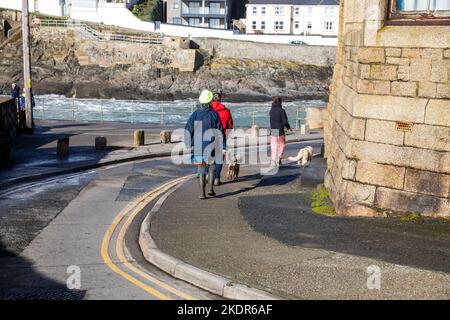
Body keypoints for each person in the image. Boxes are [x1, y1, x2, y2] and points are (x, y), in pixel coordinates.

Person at [185, 90, 225, 199]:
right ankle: (211, 189)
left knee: (201, 168)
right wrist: (223, 146)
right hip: (211, 145)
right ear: (210, 101)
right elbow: (220, 131)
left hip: (198, 145)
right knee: (211, 167)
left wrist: (188, 142)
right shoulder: (214, 114)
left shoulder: (195, 114)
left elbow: (188, 128)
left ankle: (201, 193)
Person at [209, 92, 233, 186]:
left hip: (209, 136)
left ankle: (208, 175)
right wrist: (227, 134)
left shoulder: (208, 110)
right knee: (219, 158)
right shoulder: (226, 111)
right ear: (220, 100)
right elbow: (230, 125)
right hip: (221, 136)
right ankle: (216, 178)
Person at [269, 96, 291, 166]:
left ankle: (273, 160)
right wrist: (288, 128)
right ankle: (278, 158)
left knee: (274, 146)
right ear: (280, 102)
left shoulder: (271, 110)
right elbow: (285, 122)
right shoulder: (282, 110)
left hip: (273, 130)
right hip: (280, 130)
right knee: (282, 145)